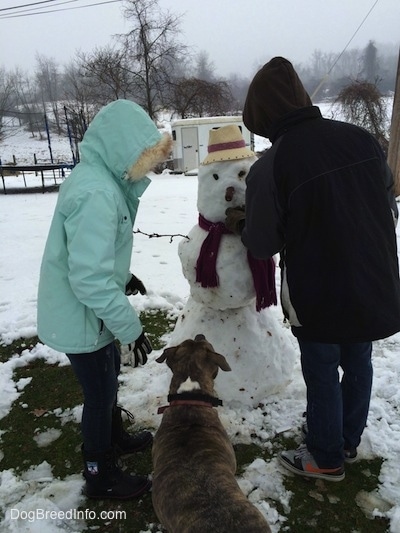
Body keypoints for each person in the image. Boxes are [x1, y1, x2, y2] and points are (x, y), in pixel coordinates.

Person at [225, 57, 400, 482]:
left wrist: (244, 224)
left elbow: (264, 242)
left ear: (262, 114)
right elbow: (389, 201)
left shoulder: (273, 164)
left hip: (319, 292)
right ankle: (346, 440)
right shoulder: (360, 139)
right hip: (372, 281)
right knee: (358, 361)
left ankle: (325, 456)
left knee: (322, 368)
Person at [37, 99, 172, 499]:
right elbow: (89, 278)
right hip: (83, 315)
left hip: (87, 313)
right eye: (143, 157)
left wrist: (123, 276)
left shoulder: (99, 180)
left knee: (107, 379)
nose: (147, 167)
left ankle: (114, 439)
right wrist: (130, 328)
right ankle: (100, 473)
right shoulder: (98, 191)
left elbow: (90, 256)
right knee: (99, 394)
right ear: (121, 148)